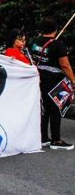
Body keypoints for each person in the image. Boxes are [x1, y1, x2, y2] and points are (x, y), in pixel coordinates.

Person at [30, 18, 75, 150]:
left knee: (44, 108)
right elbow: (65, 65)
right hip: (55, 81)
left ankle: (43, 137)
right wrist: (73, 79)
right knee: (56, 108)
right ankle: (56, 140)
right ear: (55, 30)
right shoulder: (58, 45)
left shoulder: (34, 42)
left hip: (39, 77)